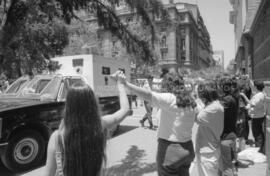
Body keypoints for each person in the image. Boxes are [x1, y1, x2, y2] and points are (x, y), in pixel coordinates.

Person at [43, 71, 130, 176]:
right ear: (92, 103)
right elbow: (125, 110)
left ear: (69, 106)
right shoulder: (100, 126)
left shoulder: (56, 138)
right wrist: (120, 84)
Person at [118, 72, 196, 176]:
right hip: (188, 149)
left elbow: (147, 95)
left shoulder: (170, 98)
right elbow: (198, 116)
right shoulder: (191, 100)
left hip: (171, 151)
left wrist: (125, 84)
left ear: (167, 84)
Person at [194, 80, 224, 176]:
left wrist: (193, 101)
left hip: (207, 154)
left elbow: (197, 118)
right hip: (210, 151)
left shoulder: (213, 108)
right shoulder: (214, 105)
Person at [218, 78, 238, 176]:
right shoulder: (232, 97)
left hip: (226, 137)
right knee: (225, 164)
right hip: (230, 135)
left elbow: (218, 113)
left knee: (226, 167)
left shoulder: (227, 100)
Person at [240, 80, 266, 154]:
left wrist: (244, 96)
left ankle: (259, 150)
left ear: (256, 87)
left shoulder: (259, 95)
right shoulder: (261, 94)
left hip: (257, 117)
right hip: (259, 115)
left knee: (257, 133)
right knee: (258, 132)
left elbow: (252, 104)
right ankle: (261, 148)